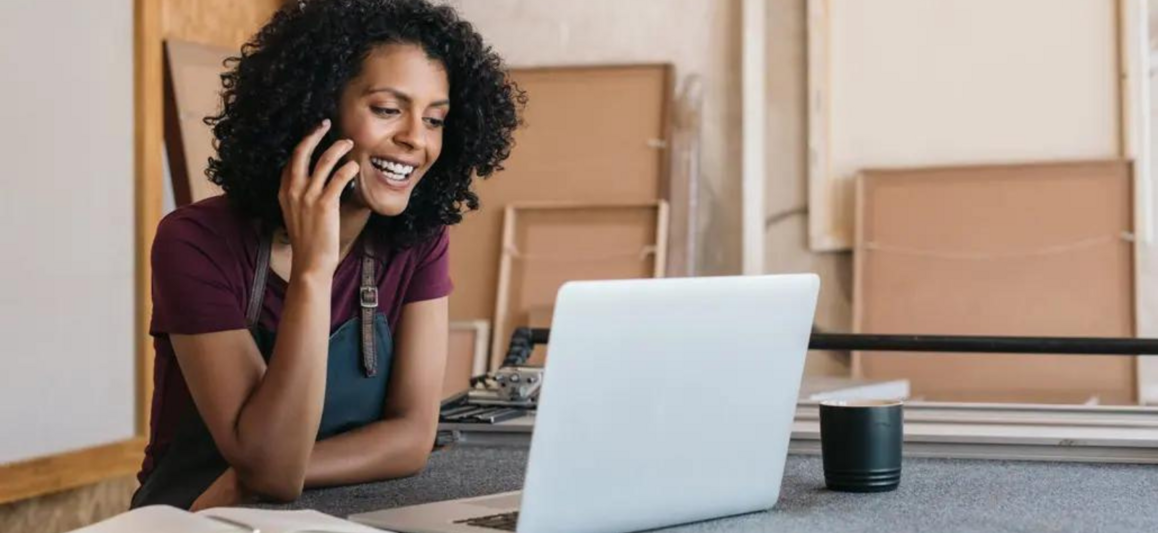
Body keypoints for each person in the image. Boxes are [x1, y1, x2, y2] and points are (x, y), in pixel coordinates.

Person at [132, 0, 524, 510]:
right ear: (316, 110)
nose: (415, 139)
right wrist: (314, 272)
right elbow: (270, 466)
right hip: (197, 515)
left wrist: (263, 473)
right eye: (387, 110)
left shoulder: (418, 240)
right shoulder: (195, 242)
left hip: (330, 506)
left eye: (434, 119)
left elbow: (410, 437)